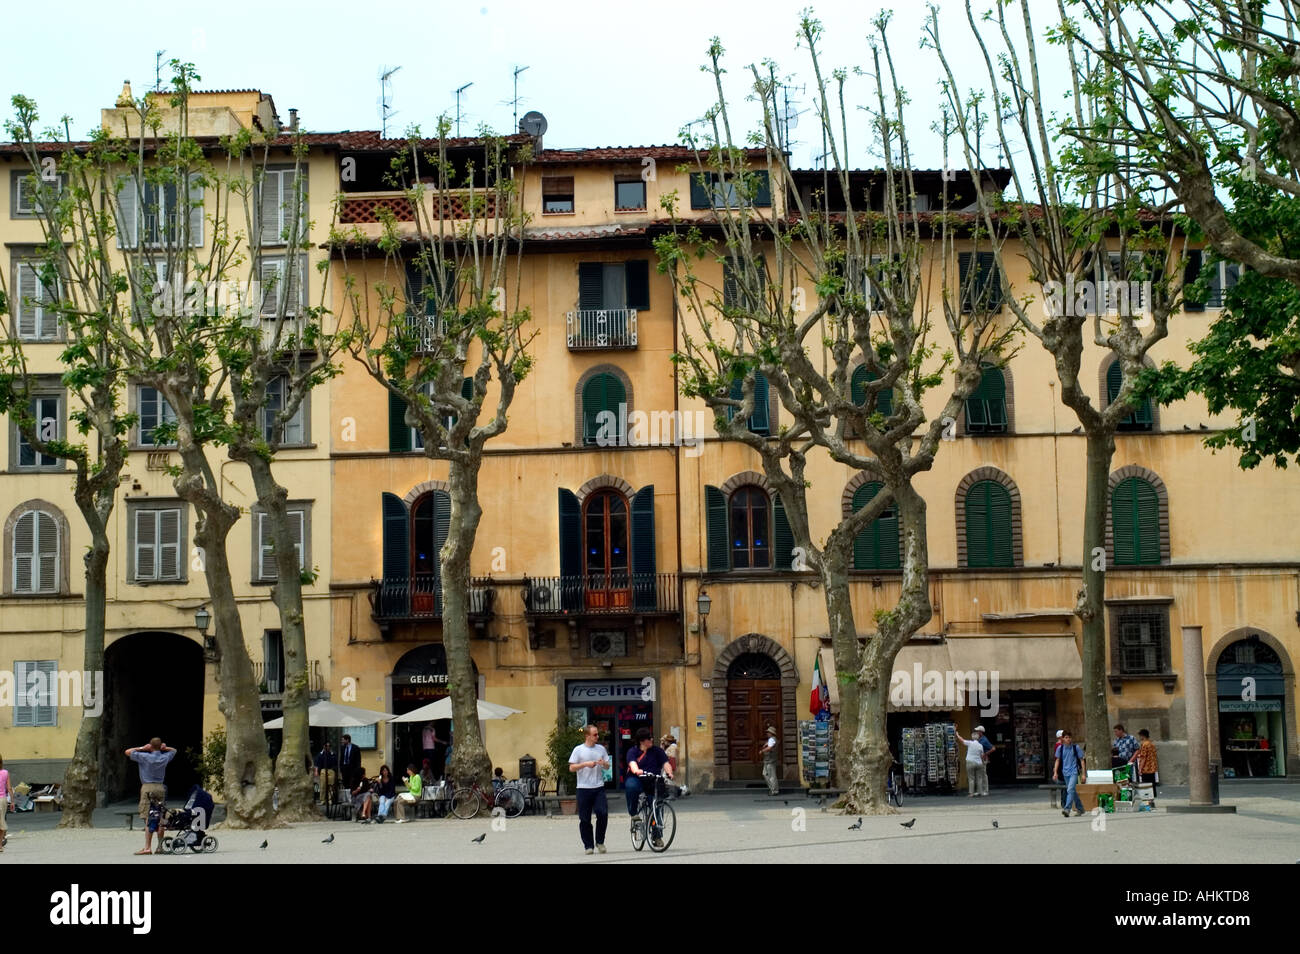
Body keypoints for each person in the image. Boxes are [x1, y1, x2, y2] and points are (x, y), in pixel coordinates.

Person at [625, 728, 673, 847]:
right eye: (648, 738)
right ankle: (634, 813)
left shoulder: (657, 751)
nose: (651, 739)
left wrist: (669, 773)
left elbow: (666, 764)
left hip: (653, 779)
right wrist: (637, 771)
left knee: (657, 806)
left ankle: (657, 836)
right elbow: (632, 764)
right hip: (637, 778)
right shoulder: (633, 751)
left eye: (651, 737)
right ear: (642, 741)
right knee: (631, 787)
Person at [569, 724, 611, 855]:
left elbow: (607, 766)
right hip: (583, 788)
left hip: (598, 787)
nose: (597, 736)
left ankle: (600, 841)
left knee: (602, 813)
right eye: (595, 734)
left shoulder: (601, 749)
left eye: (597, 734)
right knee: (585, 818)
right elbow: (571, 768)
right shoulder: (578, 750)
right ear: (587, 736)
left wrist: (603, 763)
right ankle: (588, 845)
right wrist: (585, 764)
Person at [125, 737, 177, 821]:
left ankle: (149, 831)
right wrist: (165, 748)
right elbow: (174, 750)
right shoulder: (164, 757)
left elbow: (127, 752)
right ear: (160, 746)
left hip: (147, 786)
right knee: (161, 813)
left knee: (147, 814)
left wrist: (142, 748)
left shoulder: (144, 756)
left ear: (150, 746)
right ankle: (160, 832)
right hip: (160, 786)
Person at [1053, 730, 1087, 817]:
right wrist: (1055, 772)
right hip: (1065, 773)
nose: (1068, 739)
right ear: (1063, 738)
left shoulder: (1076, 748)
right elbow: (1057, 760)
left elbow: (1082, 761)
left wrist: (1083, 774)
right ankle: (1080, 808)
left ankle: (1067, 809)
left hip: (1074, 772)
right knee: (1073, 791)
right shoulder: (1060, 749)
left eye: (1069, 737)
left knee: (1070, 790)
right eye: (1066, 737)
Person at [956, 728, 989, 797]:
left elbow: (962, 740)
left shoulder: (970, 743)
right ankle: (980, 792)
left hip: (970, 762)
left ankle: (971, 793)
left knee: (971, 778)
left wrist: (957, 735)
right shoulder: (980, 746)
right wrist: (984, 762)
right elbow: (982, 755)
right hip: (979, 763)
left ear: (972, 737)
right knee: (979, 778)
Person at [1128, 729, 1160, 796]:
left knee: (1146, 786)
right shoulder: (1151, 744)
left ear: (1142, 736)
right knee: (1152, 784)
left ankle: (1148, 800)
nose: (1140, 738)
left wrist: (1140, 769)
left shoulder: (1144, 745)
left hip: (1146, 768)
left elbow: (1143, 757)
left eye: (1140, 736)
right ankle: (1152, 800)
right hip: (1152, 767)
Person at [137, 791, 166, 855]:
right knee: (160, 816)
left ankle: (147, 848)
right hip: (160, 786)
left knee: (149, 817)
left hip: (149, 786)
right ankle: (160, 847)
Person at [760, 726, 780, 796]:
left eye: (768, 732)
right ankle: (772, 789)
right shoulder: (771, 739)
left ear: (771, 733)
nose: (767, 733)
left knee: (771, 776)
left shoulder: (772, 739)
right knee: (765, 774)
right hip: (768, 760)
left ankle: (774, 790)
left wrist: (762, 751)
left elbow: (769, 748)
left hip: (770, 760)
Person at [0, 755, 9, 852]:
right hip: (2, 799)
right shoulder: (5, 772)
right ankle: (0, 845)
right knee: (2, 821)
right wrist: (13, 801)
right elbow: (9, 787)